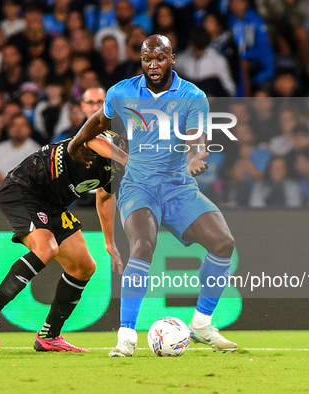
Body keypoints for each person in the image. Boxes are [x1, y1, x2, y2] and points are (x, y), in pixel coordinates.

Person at [68, 34, 238, 357]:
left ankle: (202, 323)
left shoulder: (192, 96)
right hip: (138, 186)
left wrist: (195, 157)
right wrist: (77, 144)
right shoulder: (122, 92)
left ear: (172, 59)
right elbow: (99, 121)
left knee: (223, 243)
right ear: (141, 61)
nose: (153, 65)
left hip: (178, 187)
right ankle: (126, 335)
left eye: (160, 58)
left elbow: (198, 136)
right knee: (143, 245)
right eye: (147, 59)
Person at [0, 131, 126, 351]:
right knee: (46, 248)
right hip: (23, 188)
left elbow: (105, 196)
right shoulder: (108, 138)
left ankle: (49, 336)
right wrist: (129, 159)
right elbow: (90, 139)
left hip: (52, 204)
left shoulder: (120, 169)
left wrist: (110, 241)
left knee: (83, 267)